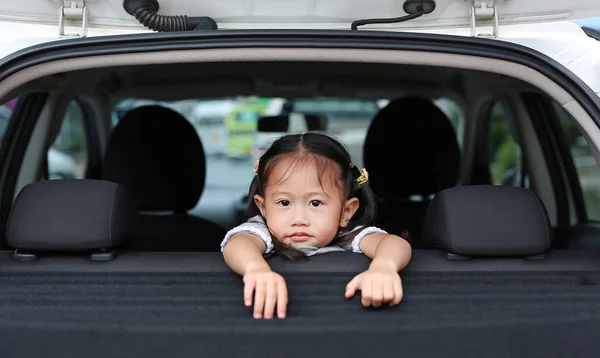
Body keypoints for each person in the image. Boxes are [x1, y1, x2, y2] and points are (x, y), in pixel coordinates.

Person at [220, 132, 412, 319]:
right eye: (284, 203)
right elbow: (238, 244)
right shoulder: (264, 232)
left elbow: (393, 243)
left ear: (346, 212)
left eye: (315, 203)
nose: (299, 218)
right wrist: (256, 269)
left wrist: (383, 267)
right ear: (264, 208)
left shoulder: (348, 235)